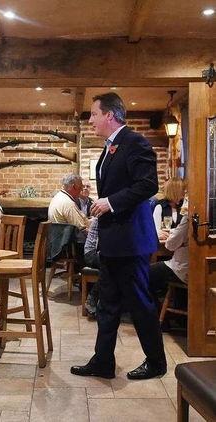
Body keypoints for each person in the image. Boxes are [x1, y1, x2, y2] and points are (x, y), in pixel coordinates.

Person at [71, 92, 166, 380]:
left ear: (109, 115)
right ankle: (103, 361)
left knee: (140, 303)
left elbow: (148, 184)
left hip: (131, 241)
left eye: (94, 114)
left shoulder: (135, 142)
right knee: (107, 303)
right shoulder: (109, 147)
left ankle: (157, 362)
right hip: (113, 241)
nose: (90, 120)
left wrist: (110, 202)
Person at [48, 174, 90, 239]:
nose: (82, 189)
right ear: (73, 187)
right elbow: (82, 229)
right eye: (80, 186)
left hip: (57, 239)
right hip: (66, 242)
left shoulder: (59, 196)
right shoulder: (68, 203)